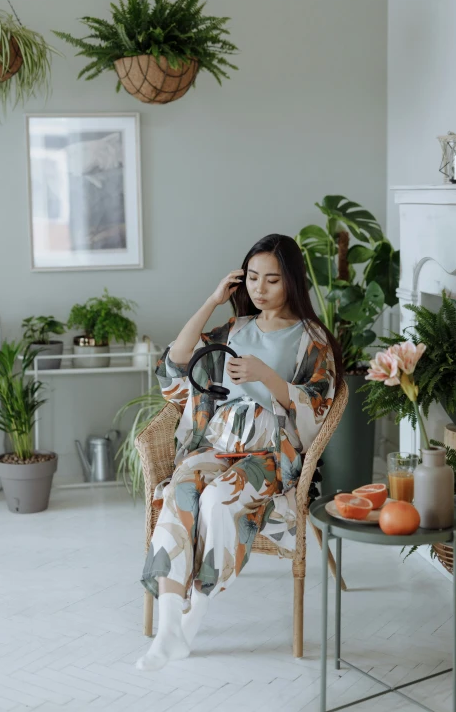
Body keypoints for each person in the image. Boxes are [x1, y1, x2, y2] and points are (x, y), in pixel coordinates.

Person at [136, 233, 343, 670]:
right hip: (217, 443)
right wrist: (212, 301)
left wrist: (266, 374)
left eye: (271, 279)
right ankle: (171, 625)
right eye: (251, 277)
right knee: (180, 495)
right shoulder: (236, 328)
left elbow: (317, 407)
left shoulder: (311, 338)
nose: (259, 288)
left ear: (291, 282)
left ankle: (194, 619)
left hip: (269, 451)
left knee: (218, 500)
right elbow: (177, 365)